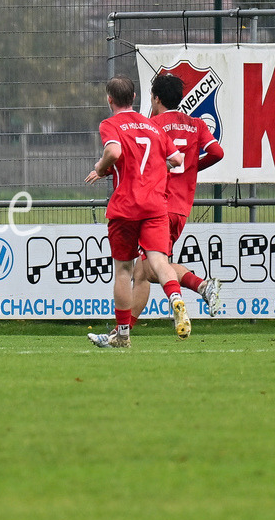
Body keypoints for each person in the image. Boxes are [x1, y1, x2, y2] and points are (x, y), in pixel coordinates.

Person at [88, 73, 225, 347]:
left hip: (151, 201)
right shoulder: (195, 124)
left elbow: (121, 154)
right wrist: (192, 168)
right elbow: (214, 153)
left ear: (155, 98)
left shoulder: (151, 125)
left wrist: (102, 170)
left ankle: (200, 286)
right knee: (145, 271)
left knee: (137, 271)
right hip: (175, 206)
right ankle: (121, 332)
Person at [85, 75, 186, 348]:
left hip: (126, 207)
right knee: (159, 262)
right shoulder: (152, 126)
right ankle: (175, 299)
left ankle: (123, 336)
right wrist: (158, 168)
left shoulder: (110, 124)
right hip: (155, 206)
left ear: (109, 99)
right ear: (133, 98)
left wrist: (99, 167)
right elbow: (177, 159)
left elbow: (115, 152)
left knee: (123, 270)